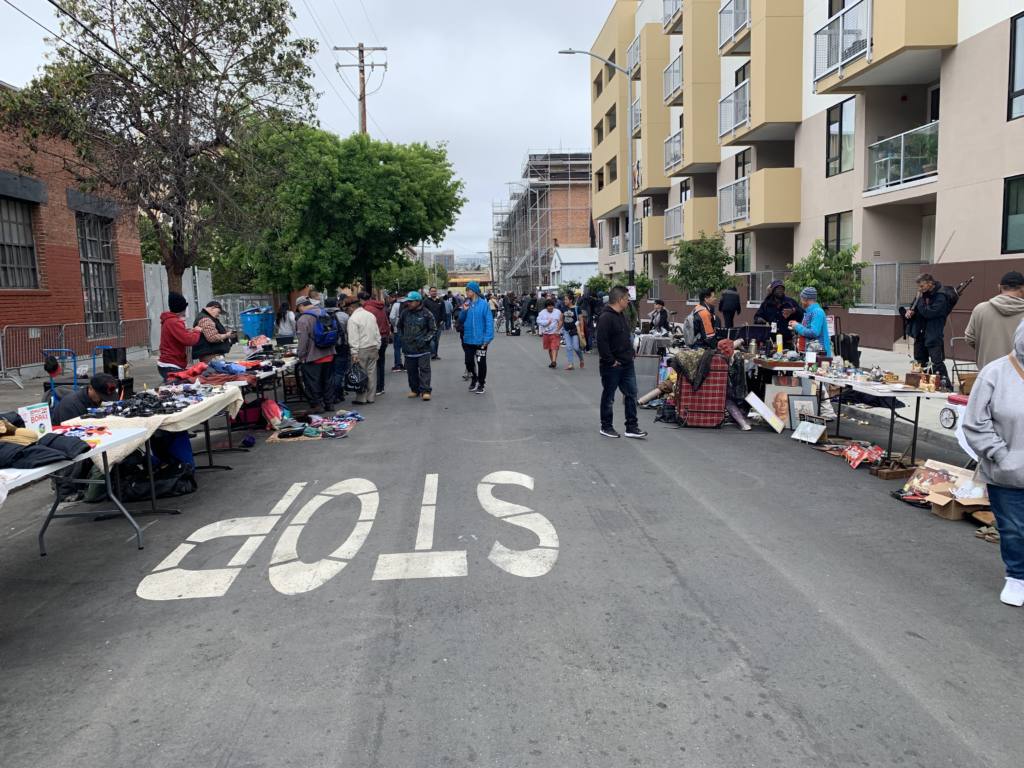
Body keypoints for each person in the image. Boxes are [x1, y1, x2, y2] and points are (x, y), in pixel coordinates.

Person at [963, 319, 1024, 607]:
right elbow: (975, 422)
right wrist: (1000, 455)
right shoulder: (995, 373)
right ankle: (1017, 576)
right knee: (1013, 528)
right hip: (1008, 471)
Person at [596, 285, 647, 440]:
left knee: (631, 393)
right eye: (627, 298)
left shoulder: (621, 315)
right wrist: (611, 361)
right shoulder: (606, 317)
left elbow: (625, 337)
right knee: (609, 396)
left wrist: (631, 352)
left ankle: (631, 427)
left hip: (627, 363)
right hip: (612, 365)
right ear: (619, 299)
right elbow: (601, 342)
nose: (628, 301)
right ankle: (606, 426)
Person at [965, 271, 1024, 370]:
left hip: (987, 374)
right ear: (1022, 289)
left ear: (999, 287)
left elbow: (969, 339)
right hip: (1019, 377)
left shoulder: (980, 309)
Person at [904, 273, 951, 389]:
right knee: (920, 360)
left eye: (922, 286)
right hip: (920, 332)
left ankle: (944, 385)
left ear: (930, 283)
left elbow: (929, 313)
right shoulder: (921, 296)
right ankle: (924, 384)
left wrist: (919, 302)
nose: (920, 289)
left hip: (934, 333)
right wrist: (910, 312)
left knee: (936, 362)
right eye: (919, 287)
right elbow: (914, 307)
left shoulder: (941, 296)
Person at [294, 296, 337, 415]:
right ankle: (329, 404)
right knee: (327, 381)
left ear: (301, 306)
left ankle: (318, 405)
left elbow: (303, 340)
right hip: (329, 353)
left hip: (313, 356)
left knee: (313, 382)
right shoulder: (325, 313)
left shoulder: (304, 319)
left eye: (298, 309)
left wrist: (300, 355)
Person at [398, 291, 437, 401]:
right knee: (411, 371)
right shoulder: (404, 313)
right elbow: (399, 327)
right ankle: (415, 390)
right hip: (408, 349)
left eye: (410, 301)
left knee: (424, 370)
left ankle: (425, 391)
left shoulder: (426, 313)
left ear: (418, 301)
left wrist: (425, 340)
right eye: (408, 302)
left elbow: (433, 329)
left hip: (423, 349)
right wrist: (403, 339)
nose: (408, 303)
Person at [345, 294, 382, 405]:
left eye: (347, 310)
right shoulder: (370, 315)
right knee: (371, 373)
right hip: (373, 347)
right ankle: (371, 397)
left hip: (361, 349)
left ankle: (361, 398)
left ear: (352, 308)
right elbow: (377, 332)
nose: (347, 312)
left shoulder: (353, 319)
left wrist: (354, 352)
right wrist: (377, 346)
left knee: (360, 374)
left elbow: (353, 338)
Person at [157, 292, 202, 381]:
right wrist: (197, 331)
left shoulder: (169, 321)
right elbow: (189, 340)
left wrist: (188, 331)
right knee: (177, 389)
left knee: (173, 388)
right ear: (182, 308)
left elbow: (177, 336)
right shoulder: (174, 322)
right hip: (171, 364)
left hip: (169, 364)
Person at [49, 372, 120, 425]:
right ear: (90, 388)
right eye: (101, 396)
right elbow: (70, 433)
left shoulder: (95, 400)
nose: (103, 400)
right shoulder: (70, 405)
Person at [462, 281, 494, 394]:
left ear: (474, 291)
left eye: (468, 290)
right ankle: (474, 378)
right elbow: (460, 320)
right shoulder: (466, 303)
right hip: (468, 340)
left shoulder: (484, 304)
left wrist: (487, 339)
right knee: (468, 362)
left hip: (481, 341)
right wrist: (463, 311)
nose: (466, 292)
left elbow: (489, 322)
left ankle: (481, 383)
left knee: (481, 362)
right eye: (466, 290)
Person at [790, 286, 833, 357]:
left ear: (806, 299)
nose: (801, 302)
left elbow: (814, 332)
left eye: (801, 299)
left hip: (820, 355)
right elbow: (808, 328)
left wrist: (797, 326)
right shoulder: (810, 312)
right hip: (813, 353)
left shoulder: (817, 312)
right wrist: (796, 325)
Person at [363, 293, 391, 397]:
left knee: (371, 365)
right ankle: (380, 387)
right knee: (381, 363)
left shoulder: (367, 309)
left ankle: (373, 388)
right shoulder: (380, 307)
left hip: (374, 338)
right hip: (384, 337)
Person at [324, 297, 350, 404]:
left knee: (329, 372)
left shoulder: (322, 316)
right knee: (339, 372)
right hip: (341, 346)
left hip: (327, 347)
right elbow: (349, 331)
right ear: (337, 304)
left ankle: (331, 395)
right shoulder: (344, 315)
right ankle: (338, 394)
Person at [537, 298, 563, 369]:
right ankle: (552, 361)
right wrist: (547, 322)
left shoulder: (558, 312)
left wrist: (559, 330)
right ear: (546, 307)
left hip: (555, 332)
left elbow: (561, 321)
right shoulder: (542, 313)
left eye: (552, 306)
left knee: (554, 347)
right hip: (546, 333)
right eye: (549, 306)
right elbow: (538, 321)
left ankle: (554, 361)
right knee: (550, 349)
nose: (550, 307)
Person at [421, 287, 446, 360]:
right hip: (429, 325)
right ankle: (432, 353)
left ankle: (435, 354)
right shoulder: (425, 301)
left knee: (436, 340)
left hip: (438, 324)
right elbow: (423, 311)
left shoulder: (441, 301)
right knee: (431, 339)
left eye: (435, 291)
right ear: (429, 292)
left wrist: (443, 320)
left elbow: (443, 312)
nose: (434, 292)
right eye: (432, 291)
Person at [561, 294, 584, 370]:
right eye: (564, 299)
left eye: (566, 299)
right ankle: (570, 364)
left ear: (571, 300)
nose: (565, 301)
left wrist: (582, 331)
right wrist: (557, 329)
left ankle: (581, 358)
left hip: (575, 330)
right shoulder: (563, 308)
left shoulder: (577, 308)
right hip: (566, 330)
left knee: (576, 347)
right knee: (569, 347)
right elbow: (561, 320)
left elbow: (581, 320)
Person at [390, 294, 407, 372]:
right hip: (408, 330)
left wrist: (394, 325)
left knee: (397, 348)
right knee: (407, 348)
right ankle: (407, 365)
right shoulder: (409, 304)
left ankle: (398, 365)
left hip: (397, 330)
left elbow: (392, 317)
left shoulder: (396, 305)